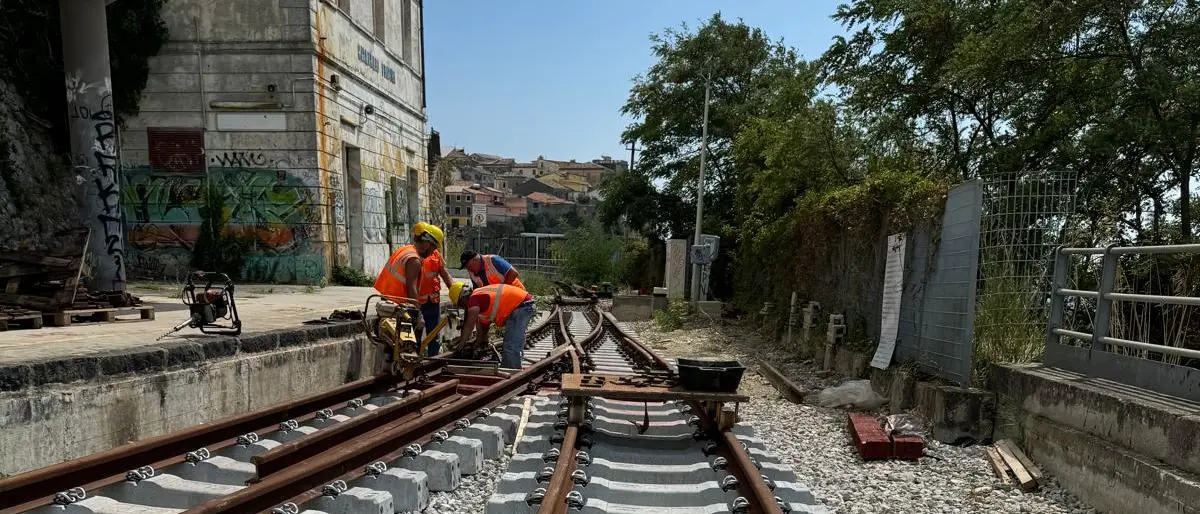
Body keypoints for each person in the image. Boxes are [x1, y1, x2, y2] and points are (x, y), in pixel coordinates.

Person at [374, 222, 443, 336]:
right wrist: (418, 313)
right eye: (433, 248)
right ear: (427, 243)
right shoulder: (414, 260)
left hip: (387, 302)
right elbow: (412, 288)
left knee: (390, 342)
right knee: (407, 344)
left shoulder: (405, 249)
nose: (432, 252)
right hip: (399, 307)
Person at [449, 281, 536, 370]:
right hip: (524, 305)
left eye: (461, 304)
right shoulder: (480, 299)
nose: (464, 307)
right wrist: (477, 344)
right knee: (514, 341)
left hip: (522, 307)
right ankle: (512, 366)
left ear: (463, 298)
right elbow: (483, 328)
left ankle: (512, 372)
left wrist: (460, 348)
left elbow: (469, 326)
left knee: (511, 344)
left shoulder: (473, 300)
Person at [413, 223, 454, 356]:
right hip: (416, 303)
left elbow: (445, 274)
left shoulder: (436, 255)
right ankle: (414, 360)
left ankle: (433, 360)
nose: (434, 248)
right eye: (434, 245)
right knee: (415, 334)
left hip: (433, 302)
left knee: (434, 334)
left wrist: (455, 292)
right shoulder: (413, 255)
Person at [460, 250, 526, 290]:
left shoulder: (493, 260)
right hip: (499, 300)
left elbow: (513, 273)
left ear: (475, 260)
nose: (468, 269)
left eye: (469, 266)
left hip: (517, 293)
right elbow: (476, 289)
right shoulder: (472, 272)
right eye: (466, 267)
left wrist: (501, 291)